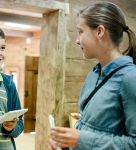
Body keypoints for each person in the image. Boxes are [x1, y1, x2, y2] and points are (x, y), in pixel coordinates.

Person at [49, 1, 136, 150]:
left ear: (100, 32)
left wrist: (80, 140)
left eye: (80, 31)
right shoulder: (94, 74)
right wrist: (66, 143)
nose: (76, 40)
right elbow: (89, 128)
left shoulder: (130, 78)